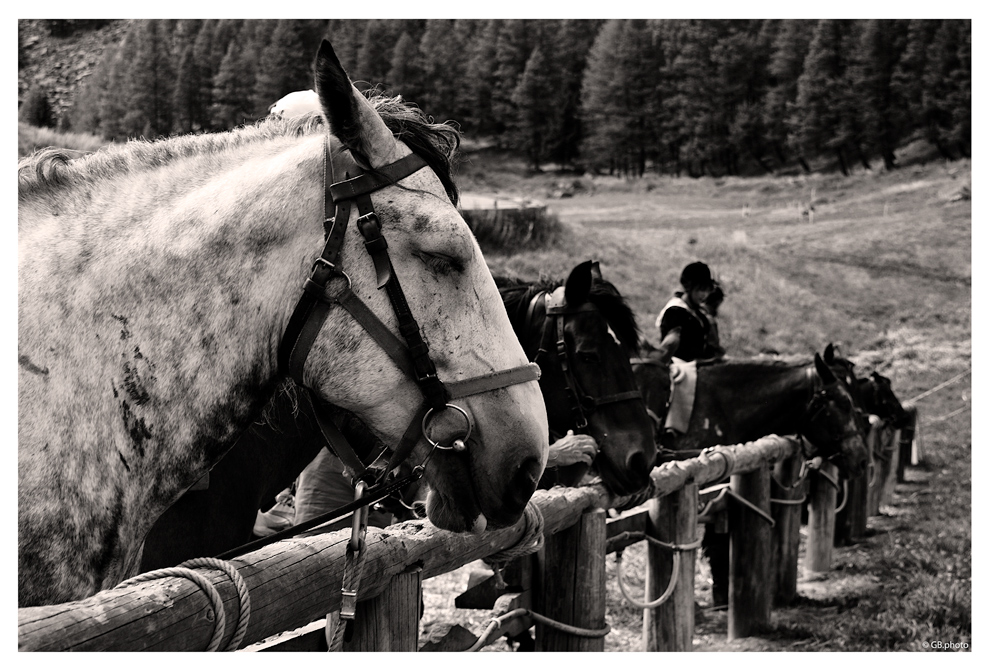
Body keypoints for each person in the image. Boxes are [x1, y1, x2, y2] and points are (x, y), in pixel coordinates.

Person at [655, 261, 723, 362]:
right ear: (689, 288)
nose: (704, 295)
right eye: (700, 290)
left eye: (707, 290)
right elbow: (678, 350)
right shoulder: (675, 312)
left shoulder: (699, 313)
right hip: (679, 365)